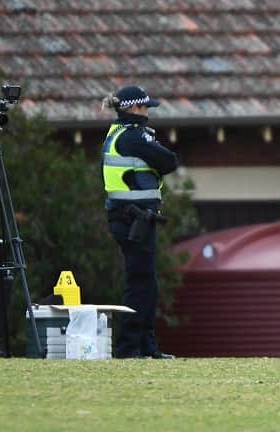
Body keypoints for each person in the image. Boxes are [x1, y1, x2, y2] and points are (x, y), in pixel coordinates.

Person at [102, 84, 179, 359]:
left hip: (135, 217)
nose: (147, 112)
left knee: (147, 281)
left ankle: (146, 346)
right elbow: (169, 161)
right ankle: (128, 348)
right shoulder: (132, 138)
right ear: (134, 108)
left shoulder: (120, 134)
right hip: (132, 218)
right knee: (139, 282)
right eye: (145, 107)